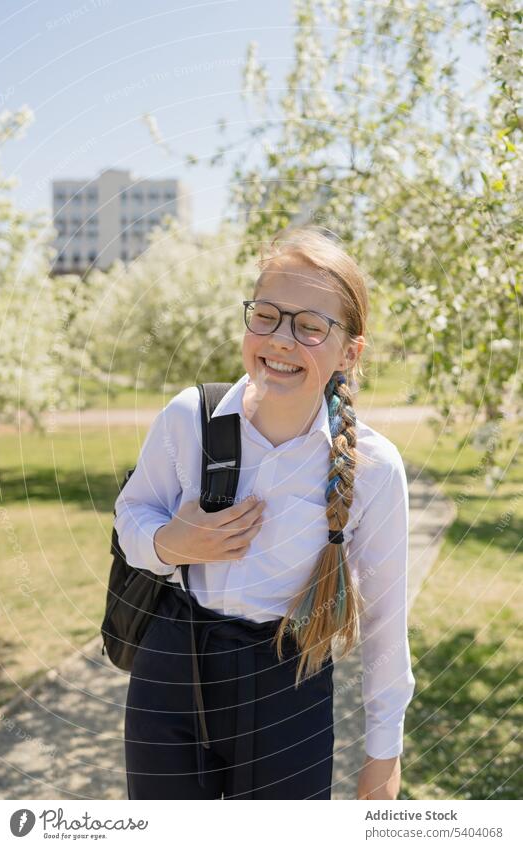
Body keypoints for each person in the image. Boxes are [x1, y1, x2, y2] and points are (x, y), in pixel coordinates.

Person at [115, 224, 415, 800]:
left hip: (289, 681)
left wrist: (385, 750)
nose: (281, 339)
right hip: (173, 671)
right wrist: (171, 545)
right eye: (267, 315)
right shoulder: (190, 419)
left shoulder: (374, 467)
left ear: (350, 351)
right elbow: (131, 520)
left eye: (308, 327)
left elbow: (383, 623)